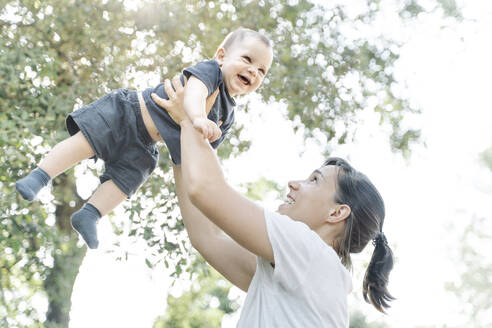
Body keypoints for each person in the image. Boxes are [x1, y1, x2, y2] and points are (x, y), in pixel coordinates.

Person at [152, 78, 395, 327]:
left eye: (314, 180)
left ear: (337, 213)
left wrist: (190, 120)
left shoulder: (309, 251)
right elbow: (208, 238)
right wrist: (180, 136)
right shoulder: (307, 272)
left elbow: (207, 188)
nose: (294, 183)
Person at [15, 28, 273, 249]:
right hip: (128, 112)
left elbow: (204, 156)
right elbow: (194, 94)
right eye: (248, 59)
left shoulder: (228, 116)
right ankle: (40, 175)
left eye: (262, 71)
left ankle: (90, 214)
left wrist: (206, 148)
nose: (253, 71)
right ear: (221, 56)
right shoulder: (210, 73)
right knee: (85, 143)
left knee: (129, 177)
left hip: (146, 143)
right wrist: (197, 118)